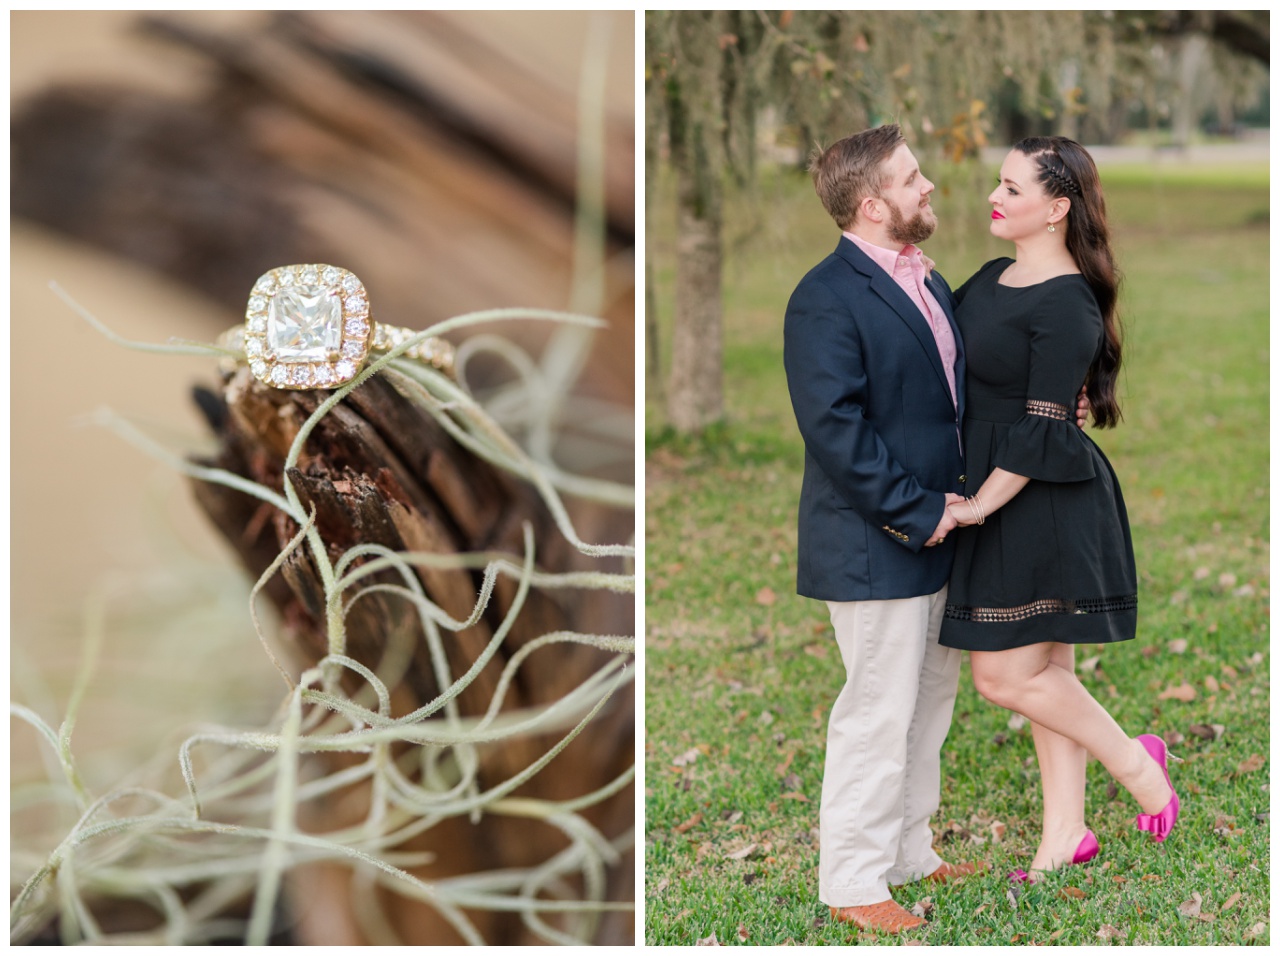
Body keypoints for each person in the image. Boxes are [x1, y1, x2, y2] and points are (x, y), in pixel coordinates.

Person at [938, 136, 1179, 881]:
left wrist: (979, 504)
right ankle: (1064, 835)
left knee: (1005, 678)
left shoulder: (1069, 301)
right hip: (1003, 486)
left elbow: (1043, 427)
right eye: (998, 184)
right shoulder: (986, 279)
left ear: (1056, 208)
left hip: (1041, 501)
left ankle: (1139, 769)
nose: (996, 197)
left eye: (1013, 189)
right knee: (1048, 672)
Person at [783, 124, 982, 935]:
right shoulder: (823, 299)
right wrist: (918, 510)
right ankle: (853, 878)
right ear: (872, 205)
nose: (928, 185)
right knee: (876, 709)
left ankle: (910, 850)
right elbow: (836, 431)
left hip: (944, 531)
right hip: (876, 540)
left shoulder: (923, 279)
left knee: (930, 702)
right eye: (911, 178)